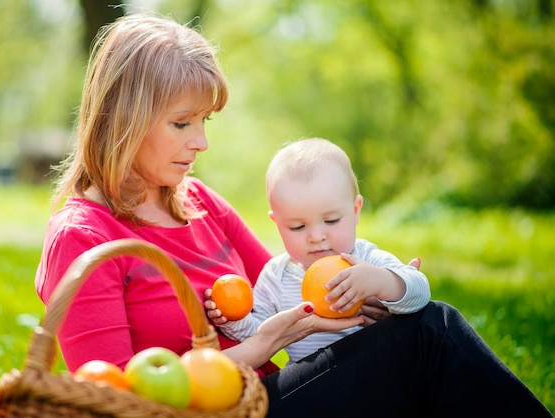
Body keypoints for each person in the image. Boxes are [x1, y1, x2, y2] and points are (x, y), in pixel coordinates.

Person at [34, 12, 552, 417]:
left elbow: (300, 284)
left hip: (271, 397)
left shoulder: (201, 203)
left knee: (422, 330)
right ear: (126, 119)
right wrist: (263, 343)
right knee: (432, 334)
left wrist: (360, 298)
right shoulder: (84, 237)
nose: (202, 141)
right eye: (182, 123)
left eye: (205, 120)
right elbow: (115, 401)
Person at [205, 138, 431, 365]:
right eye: (298, 227)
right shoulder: (277, 276)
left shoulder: (365, 259)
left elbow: (420, 293)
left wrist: (381, 281)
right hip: (312, 382)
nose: (316, 236)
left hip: (372, 375)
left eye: (331, 220)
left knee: (436, 318)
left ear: (355, 210)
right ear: (278, 224)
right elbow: (257, 334)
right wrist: (233, 319)